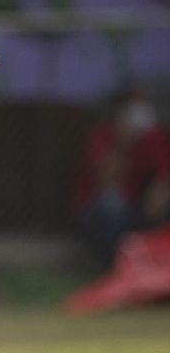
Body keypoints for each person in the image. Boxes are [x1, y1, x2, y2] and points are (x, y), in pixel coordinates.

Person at [72, 89, 170, 267]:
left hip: (136, 209)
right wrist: (124, 143)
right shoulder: (103, 135)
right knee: (112, 203)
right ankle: (114, 269)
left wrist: (159, 195)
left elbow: (163, 177)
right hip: (97, 213)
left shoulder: (153, 138)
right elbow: (105, 180)